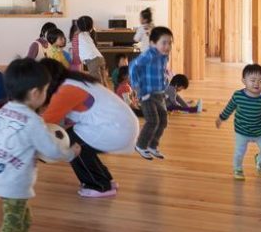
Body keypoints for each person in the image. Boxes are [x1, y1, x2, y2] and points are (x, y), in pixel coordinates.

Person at [0, 58, 76, 232]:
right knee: (11, 226)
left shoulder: (1, 112)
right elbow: (51, 150)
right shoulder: (33, 121)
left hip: (0, 175)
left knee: (23, 220)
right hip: (15, 182)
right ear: (35, 93)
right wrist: (71, 152)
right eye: (45, 90)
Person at [41, 62, 138, 198]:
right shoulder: (75, 81)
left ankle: (99, 185)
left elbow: (43, 123)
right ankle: (106, 180)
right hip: (122, 126)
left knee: (70, 143)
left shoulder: (66, 90)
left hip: (116, 129)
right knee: (77, 138)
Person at [216, 63, 261, 179]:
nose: (257, 84)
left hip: (260, 132)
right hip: (241, 131)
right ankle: (237, 169)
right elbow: (229, 108)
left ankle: (259, 159)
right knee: (239, 152)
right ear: (244, 80)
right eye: (253, 80)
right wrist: (221, 118)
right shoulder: (238, 96)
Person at [128, 25, 174, 159]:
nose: (167, 46)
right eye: (164, 43)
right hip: (147, 94)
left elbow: (160, 71)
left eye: (170, 43)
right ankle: (141, 145)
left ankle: (152, 146)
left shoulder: (164, 56)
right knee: (152, 120)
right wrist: (136, 87)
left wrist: (165, 82)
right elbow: (133, 66)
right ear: (153, 43)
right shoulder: (149, 55)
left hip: (159, 93)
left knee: (163, 121)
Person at [71, 16, 105, 81]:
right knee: (103, 80)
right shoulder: (88, 34)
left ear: (78, 26)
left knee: (96, 83)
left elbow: (75, 53)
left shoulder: (76, 36)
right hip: (100, 58)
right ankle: (106, 89)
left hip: (93, 61)